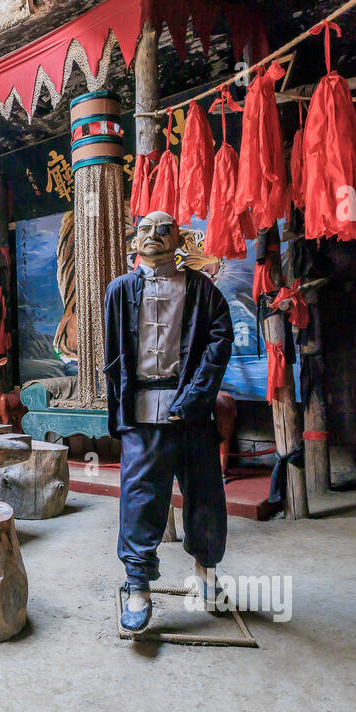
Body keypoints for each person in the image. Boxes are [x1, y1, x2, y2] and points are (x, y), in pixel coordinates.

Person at [104, 210, 234, 632]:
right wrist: (120, 414)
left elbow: (219, 343)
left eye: (164, 229)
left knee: (205, 493)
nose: (154, 235)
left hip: (191, 411)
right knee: (140, 498)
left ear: (179, 239)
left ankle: (207, 574)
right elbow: (114, 358)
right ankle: (138, 588)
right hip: (142, 413)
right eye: (145, 229)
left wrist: (196, 396)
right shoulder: (119, 290)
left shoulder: (202, 290)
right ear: (134, 240)